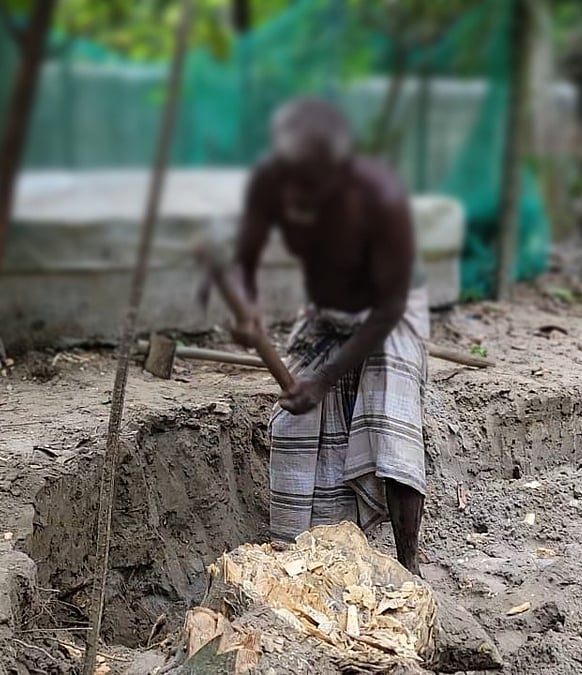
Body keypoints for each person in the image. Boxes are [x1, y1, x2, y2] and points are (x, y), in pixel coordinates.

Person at [228, 96, 430, 576]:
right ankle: (301, 558)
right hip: (327, 311)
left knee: (389, 419)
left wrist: (322, 381)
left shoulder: (381, 198)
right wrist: (245, 307)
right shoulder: (272, 182)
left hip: (389, 311)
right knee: (293, 426)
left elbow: (389, 309)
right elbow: (243, 257)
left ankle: (408, 564)